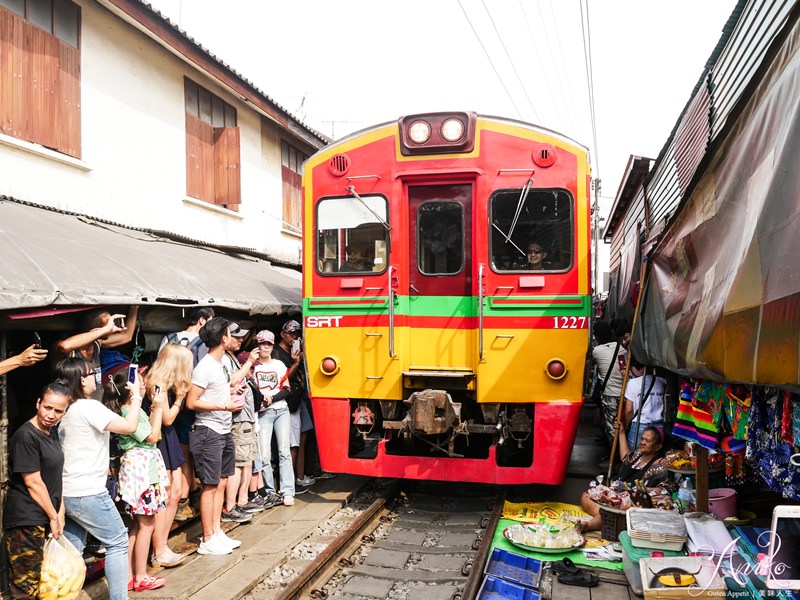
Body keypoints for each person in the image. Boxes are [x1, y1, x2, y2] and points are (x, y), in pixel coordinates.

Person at [55, 356, 144, 600]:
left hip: (68, 492)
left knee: (72, 550)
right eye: (91, 373)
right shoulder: (88, 407)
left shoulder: (67, 408)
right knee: (117, 542)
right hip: (88, 492)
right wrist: (136, 395)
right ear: (81, 381)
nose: (96, 375)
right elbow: (130, 426)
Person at [103, 369, 168, 592]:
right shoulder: (128, 410)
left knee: (139, 525)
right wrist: (158, 408)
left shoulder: (132, 410)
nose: (144, 385)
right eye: (140, 383)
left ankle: (130, 576)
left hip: (140, 469)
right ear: (131, 391)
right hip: (142, 471)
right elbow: (153, 436)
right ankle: (141, 575)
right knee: (147, 524)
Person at [4, 383, 70, 600]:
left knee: (43, 584)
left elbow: (54, 478)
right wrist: (53, 516)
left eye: (58, 411)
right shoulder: (26, 436)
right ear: (38, 404)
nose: (51, 415)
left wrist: (59, 512)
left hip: (45, 515)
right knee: (25, 587)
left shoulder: (51, 433)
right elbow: (33, 482)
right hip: (26, 520)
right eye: (47, 407)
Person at [186, 318, 246, 556]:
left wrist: (232, 391)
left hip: (223, 428)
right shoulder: (205, 367)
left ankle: (217, 531)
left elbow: (215, 391)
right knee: (210, 485)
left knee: (221, 481)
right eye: (229, 334)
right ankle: (207, 538)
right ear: (223, 338)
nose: (232, 337)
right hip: (208, 430)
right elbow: (192, 402)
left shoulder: (220, 364)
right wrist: (224, 406)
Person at [160, 307, 215, 522]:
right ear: (202, 321)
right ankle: (185, 497)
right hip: (188, 398)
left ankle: (186, 494)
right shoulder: (203, 343)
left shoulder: (169, 337)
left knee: (177, 449)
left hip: (171, 395)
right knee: (187, 450)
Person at [144, 343, 193, 568]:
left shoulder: (164, 383)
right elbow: (167, 418)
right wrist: (180, 399)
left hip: (168, 437)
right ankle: (159, 550)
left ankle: (163, 545)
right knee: (164, 496)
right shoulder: (157, 384)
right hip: (161, 437)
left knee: (175, 492)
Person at [579, 424, 668, 532]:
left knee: (614, 513)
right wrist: (621, 432)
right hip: (618, 494)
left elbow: (663, 489)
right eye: (642, 439)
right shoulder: (638, 454)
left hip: (632, 501)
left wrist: (641, 489)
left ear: (658, 446)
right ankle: (603, 514)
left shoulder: (660, 465)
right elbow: (625, 458)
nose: (643, 442)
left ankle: (592, 523)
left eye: (648, 441)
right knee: (587, 495)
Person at [221, 324, 263, 522]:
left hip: (244, 417)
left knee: (247, 461)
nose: (239, 340)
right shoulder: (225, 360)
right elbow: (229, 382)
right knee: (239, 464)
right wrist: (250, 362)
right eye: (235, 337)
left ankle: (243, 500)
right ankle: (232, 505)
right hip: (237, 418)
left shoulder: (229, 358)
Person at [53, 306, 139, 401]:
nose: (111, 328)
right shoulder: (71, 352)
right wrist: (104, 330)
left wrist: (135, 307)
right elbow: (64, 346)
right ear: (95, 331)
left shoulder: (96, 344)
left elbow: (126, 336)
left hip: (96, 408)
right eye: (108, 325)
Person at [253, 329, 295, 506]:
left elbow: (287, 388)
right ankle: (270, 491)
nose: (266, 347)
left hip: (281, 410)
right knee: (264, 454)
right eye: (263, 343)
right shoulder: (252, 366)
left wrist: (271, 398)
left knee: (284, 451)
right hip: (263, 413)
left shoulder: (279, 365)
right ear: (257, 345)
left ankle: (287, 491)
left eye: (269, 344)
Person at [273, 319, 314, 490]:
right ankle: (290, 483)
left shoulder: (293, 351)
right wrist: (296, 363)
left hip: (297, 401)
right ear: (282, 334)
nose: (294, 337)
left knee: (301, 438)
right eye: (291, 334)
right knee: (292, 443)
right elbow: (281, 380)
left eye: (297, 334)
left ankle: (299, 476)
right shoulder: (277, 354)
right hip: (287, 402)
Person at [591, 321, 627, 448]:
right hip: (625, 394)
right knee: (623, 425)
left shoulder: (597, 351)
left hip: (609, 395)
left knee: (612, 427)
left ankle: (615, 459)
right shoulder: (622, 349)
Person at [623, 362, 666, 449]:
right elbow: (666, 407)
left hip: (639, 425)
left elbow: (629, 410)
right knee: (655, 456)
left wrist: (625, 427)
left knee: (635, 457)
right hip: (658, 426)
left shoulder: (632, 383)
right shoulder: (662, 381)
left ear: (642, 369)